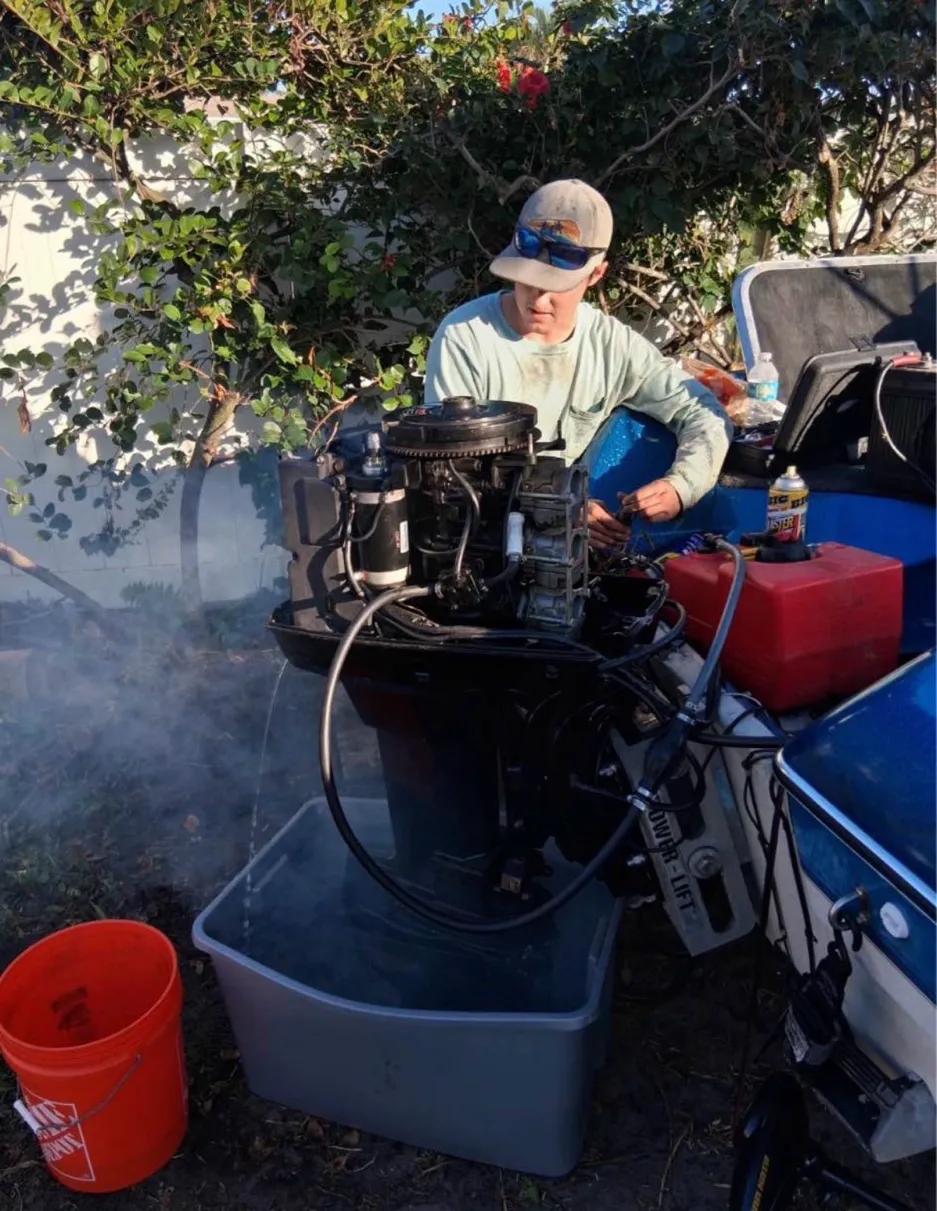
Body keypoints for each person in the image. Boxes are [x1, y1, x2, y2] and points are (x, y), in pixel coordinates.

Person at [423, 179, 733, 551]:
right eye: (526, 280)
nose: (538, 299)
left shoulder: (613, 347)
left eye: (556, 286)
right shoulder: (465, 336)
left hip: (572, 549)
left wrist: (681, 486)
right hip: (485, 543)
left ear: (596, 274)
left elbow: (704, 413)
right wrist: (559, 508)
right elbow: (450, 475)